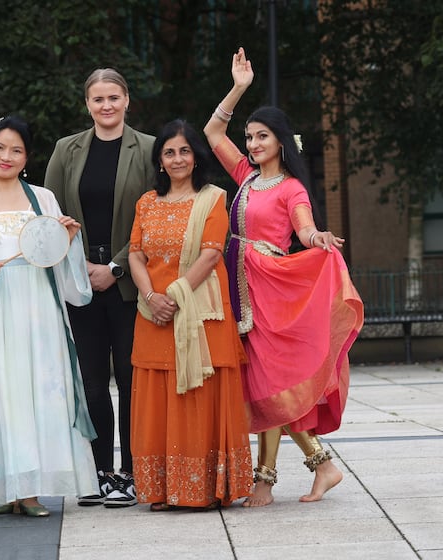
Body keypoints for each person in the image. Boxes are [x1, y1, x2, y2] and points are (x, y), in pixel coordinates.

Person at [203, 48, 364, 507]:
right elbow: (213, 131)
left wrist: (318, 240)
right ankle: (315, 468)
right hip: (239, 284)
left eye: (261, 137)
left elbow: (304, 229)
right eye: (250, 137)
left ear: (280, 141)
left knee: (270, 384)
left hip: (271, 285)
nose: (253, 144)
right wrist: (238, 88)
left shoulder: (290, 187)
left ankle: (269, 479)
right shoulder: (245, 177)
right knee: (261, 384)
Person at [0, 116, 98, 517]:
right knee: (5, 395)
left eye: (16, 150)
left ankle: (31, 488)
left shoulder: (43, 199)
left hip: (39, 311)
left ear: (27, 157)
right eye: (0, 147)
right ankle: (5, 485)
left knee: (41, 391)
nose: (6, 156)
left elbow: (54, 254)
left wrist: (68, 240)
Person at [44, 68, 157, 508]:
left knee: (131, 380)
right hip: (80, 282)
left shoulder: (148, 149)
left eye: (114, 97)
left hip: (130, 283)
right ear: (87, 104)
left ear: (127, 100)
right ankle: (97, 471)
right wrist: (83, 264)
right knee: (90, 381)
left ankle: (130, 471)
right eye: (98, 99)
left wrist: (114, 266)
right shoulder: (65, 150)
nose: (106, 106)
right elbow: (49, 216)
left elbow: (155, 216)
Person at [128, 119, 253, 511]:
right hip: (153, 315)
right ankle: (165, 490)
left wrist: (176, 296)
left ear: (196, 157)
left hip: (200, 315)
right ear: (159, 160)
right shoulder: (146, 202)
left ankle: (203, 489)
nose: (177, 158)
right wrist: (150, 296)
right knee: (159, 399)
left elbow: (212, 253)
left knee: (199, 395)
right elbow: (135, 253)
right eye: (169, 152)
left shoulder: (214, 198)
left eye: (184, 151)